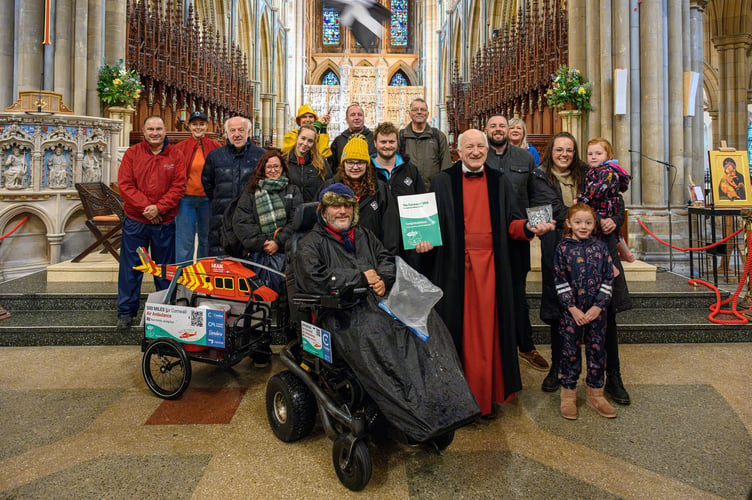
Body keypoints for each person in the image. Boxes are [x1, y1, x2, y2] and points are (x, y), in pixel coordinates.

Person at [293, 183, 480, 442]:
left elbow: (387, 260)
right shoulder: (310, 243)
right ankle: (409, 412)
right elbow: (313, 279)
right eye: (336, 205)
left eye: (347, 206)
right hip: (341, 315)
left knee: (426, 319)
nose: (342, 211)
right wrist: (359, 278)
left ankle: (439, 404)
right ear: (324, 211)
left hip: (377, 303)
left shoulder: (364, 235)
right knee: (380, 335)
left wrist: (382, 277)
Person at [425, 128, 554, 418]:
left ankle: (487, 397)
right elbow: (429, 227)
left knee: (489, 332)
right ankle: (459, 399)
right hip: (455, 268)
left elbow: (512, 223)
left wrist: (528, 228)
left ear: (487, 149)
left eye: (480, 146)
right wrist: (422, 241)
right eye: (469, 146)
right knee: (459, 332)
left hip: (493, 269)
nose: (475, 151)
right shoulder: (441, 181)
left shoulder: (501, 181)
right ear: (457, 151)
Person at [531, 132, 632, 405]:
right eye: (559, 149)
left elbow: (617, 198)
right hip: (560, 253)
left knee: (606, 314)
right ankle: (558, 369)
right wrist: (596, 218)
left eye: (569, 150)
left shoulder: (590, 172)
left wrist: (613, 217)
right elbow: (551, 210)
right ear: (550, 151)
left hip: (597, 254)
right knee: (559, 313)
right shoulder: (539, 176)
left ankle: (613, 376)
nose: (564, 154)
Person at [485, 115, 548, 372]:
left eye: (503, 126)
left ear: (510, 131)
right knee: (488, 292)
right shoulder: (480, 155)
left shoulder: (525, 158)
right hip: (485, 238)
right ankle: (492, 346)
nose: (499, 130)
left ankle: (526, 346)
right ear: (486, 130)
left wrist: (541, 225)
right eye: (494, 126)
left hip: (516, 237)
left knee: (518, 294)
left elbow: (536, 194)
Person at [116, 116, 186, 329]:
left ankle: (165, 311)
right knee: (131, 268)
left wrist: (159, 208)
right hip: (136, 221)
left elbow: (179, 186)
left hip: (165, 222)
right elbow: (125, 185)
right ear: (144, 131)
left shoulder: (176, 154)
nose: (155, 132)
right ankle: (126, 312)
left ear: (165, 131)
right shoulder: (132, 153)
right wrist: (147, 208)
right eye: (150, 129)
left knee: (164, 269)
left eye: (158, 128)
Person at [555, 203, 616, 420]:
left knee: (597, 351)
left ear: (594, 225)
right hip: (571, 313)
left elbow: (609, 277)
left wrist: (598, 306)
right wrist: (571, 308)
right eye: (578, 222)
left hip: (596, 312)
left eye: (588, 223)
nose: (584, 227)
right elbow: (559, 279)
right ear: (569, 224)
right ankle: (568, 395)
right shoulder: (562, 248)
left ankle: (595, 394)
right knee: (569, 352)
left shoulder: (600, 248)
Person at [233, 149, 303, 281]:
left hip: (287, 252)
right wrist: (264, 242)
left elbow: (297, 220)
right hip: (258, 253)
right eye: (269, 167)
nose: (273, 170)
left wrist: (278, 242)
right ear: (263, 169)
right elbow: (242, 221)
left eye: (276, 166)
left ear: (282, 168)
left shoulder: (292, 190)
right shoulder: (251, 192)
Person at [202, 116, 265, 256]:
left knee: (248, 262)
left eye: (241, 130)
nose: (236, 134)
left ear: (249, 132)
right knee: (219, 258)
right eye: (232, 131)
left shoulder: (261, 155)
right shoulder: (215, 156)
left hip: (250, 217)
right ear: (226, 133)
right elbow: (208, 183)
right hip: (221, 215)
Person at [371, 121, 427, 262]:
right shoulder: (366, 171)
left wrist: (425, 235)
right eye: (383, 142)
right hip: (376, 239)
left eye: (391, 141)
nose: (387, 146)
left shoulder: (409, 170)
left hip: (408, 239)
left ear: (397, 143)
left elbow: (422, 203)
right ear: (375, 143)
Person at [173, 111, 221, 263]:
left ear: (207, 125)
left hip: (207, 200)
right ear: (189, 126)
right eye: (194, 124)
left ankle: (203, 278)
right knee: (184, 242)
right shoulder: (180, 147)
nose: (198, 127)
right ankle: (183, 279)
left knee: (206, 240)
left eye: (201, 124)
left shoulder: (216, 147)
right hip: (186, 200)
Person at [321, 136, 388, 244]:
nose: (355, 167)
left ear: (367, 165)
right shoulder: (330, 187)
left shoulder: (379, 189)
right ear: (344, 164)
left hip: (372, 252)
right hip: (336, 252)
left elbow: (390, 227)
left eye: (360, 162)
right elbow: (319, 222)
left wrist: (386, 257)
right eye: (350, 162)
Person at [583, 137, 635, 262]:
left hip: (605, 208)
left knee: (608, 235)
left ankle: (624, 254)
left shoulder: (607, 171)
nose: (593, 157)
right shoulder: (596, 170)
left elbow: (597, 190)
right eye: (590, 154)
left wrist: (581, 199)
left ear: (608, 156)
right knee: (613, 235)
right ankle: (625, 253)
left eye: (598, 153)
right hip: (602, 209)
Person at [398, 98, 451, 187]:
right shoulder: (401, 136)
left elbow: (446, 166)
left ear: (427, 114)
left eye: (423, 109)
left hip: (432, 189)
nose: (419, 112)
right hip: (408, 190)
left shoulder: (438, 136)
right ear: (410, 114)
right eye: (415, 110)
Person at [286, 124, 332, 202]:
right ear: (297, 138)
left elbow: (329, 185)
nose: (305, 143)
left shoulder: (321, 163)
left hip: (313, 209)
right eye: (303, 138)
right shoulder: (285, 161)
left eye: (310, 141)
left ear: (314, 143)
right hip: (291, 211)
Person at [329, 103, 376, 172]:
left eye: (360, 115)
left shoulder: (374, 138)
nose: (357, 118)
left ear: (364, 118)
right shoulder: (339, 141)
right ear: (347, 119)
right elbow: (332, 165)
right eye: (353, 115)